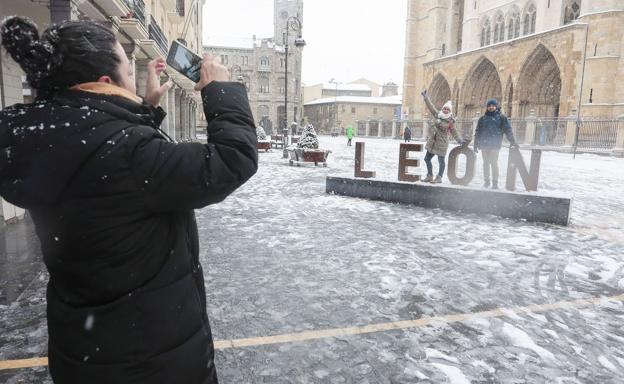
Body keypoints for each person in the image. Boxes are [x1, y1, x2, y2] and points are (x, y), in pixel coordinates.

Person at [0, 17, 258, 384]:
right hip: (150, 360)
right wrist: (220, 88)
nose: (133, 81)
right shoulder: (129, 155)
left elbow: (108, 167)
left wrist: (144, 111)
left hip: (84, 352)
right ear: (106, 83)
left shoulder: (42, 139)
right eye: (127, 67)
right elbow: (233, 159)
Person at [421, 90, 465, 183]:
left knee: (441, 161)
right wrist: (426, 98)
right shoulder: (438, 115)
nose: (445, 110)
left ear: (450, 111)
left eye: (448, 110)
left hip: (442, 143)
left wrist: (459, 140)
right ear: (442, 109)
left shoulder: (450, 121)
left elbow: (454, 131)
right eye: (445, 108)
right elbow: (431, 107)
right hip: (432, 142)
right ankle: (429, 175)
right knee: (426, 159)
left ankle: (439, 177)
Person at [473, 98, 517, 189]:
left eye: (493, 106)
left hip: (495, 145)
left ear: (496, 107)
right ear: (487, 107)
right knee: (485, 163)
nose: (491, 107)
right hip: (484, 145)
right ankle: (486, 181)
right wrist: (476, 143)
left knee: (493, 163)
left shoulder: (501, 118)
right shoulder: (482, 119)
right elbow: (478, 132)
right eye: (489, 106)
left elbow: (508, 130)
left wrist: (512, 141)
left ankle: (495, 182)